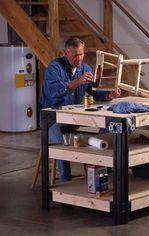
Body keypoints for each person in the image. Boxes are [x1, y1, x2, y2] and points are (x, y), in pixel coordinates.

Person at [40, 37, 121, 182]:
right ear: (65, 53)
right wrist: (77, 81)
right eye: (75, 55)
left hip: (74, 118)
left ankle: (103, 172)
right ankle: (66, 181)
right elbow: (54, 92)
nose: (79, 59)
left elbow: (93, 92)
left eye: (81, 54)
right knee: (64, 145)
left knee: (106, 127)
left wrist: (109, 94)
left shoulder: (85, 68)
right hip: (52, 118)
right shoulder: (54, 67)